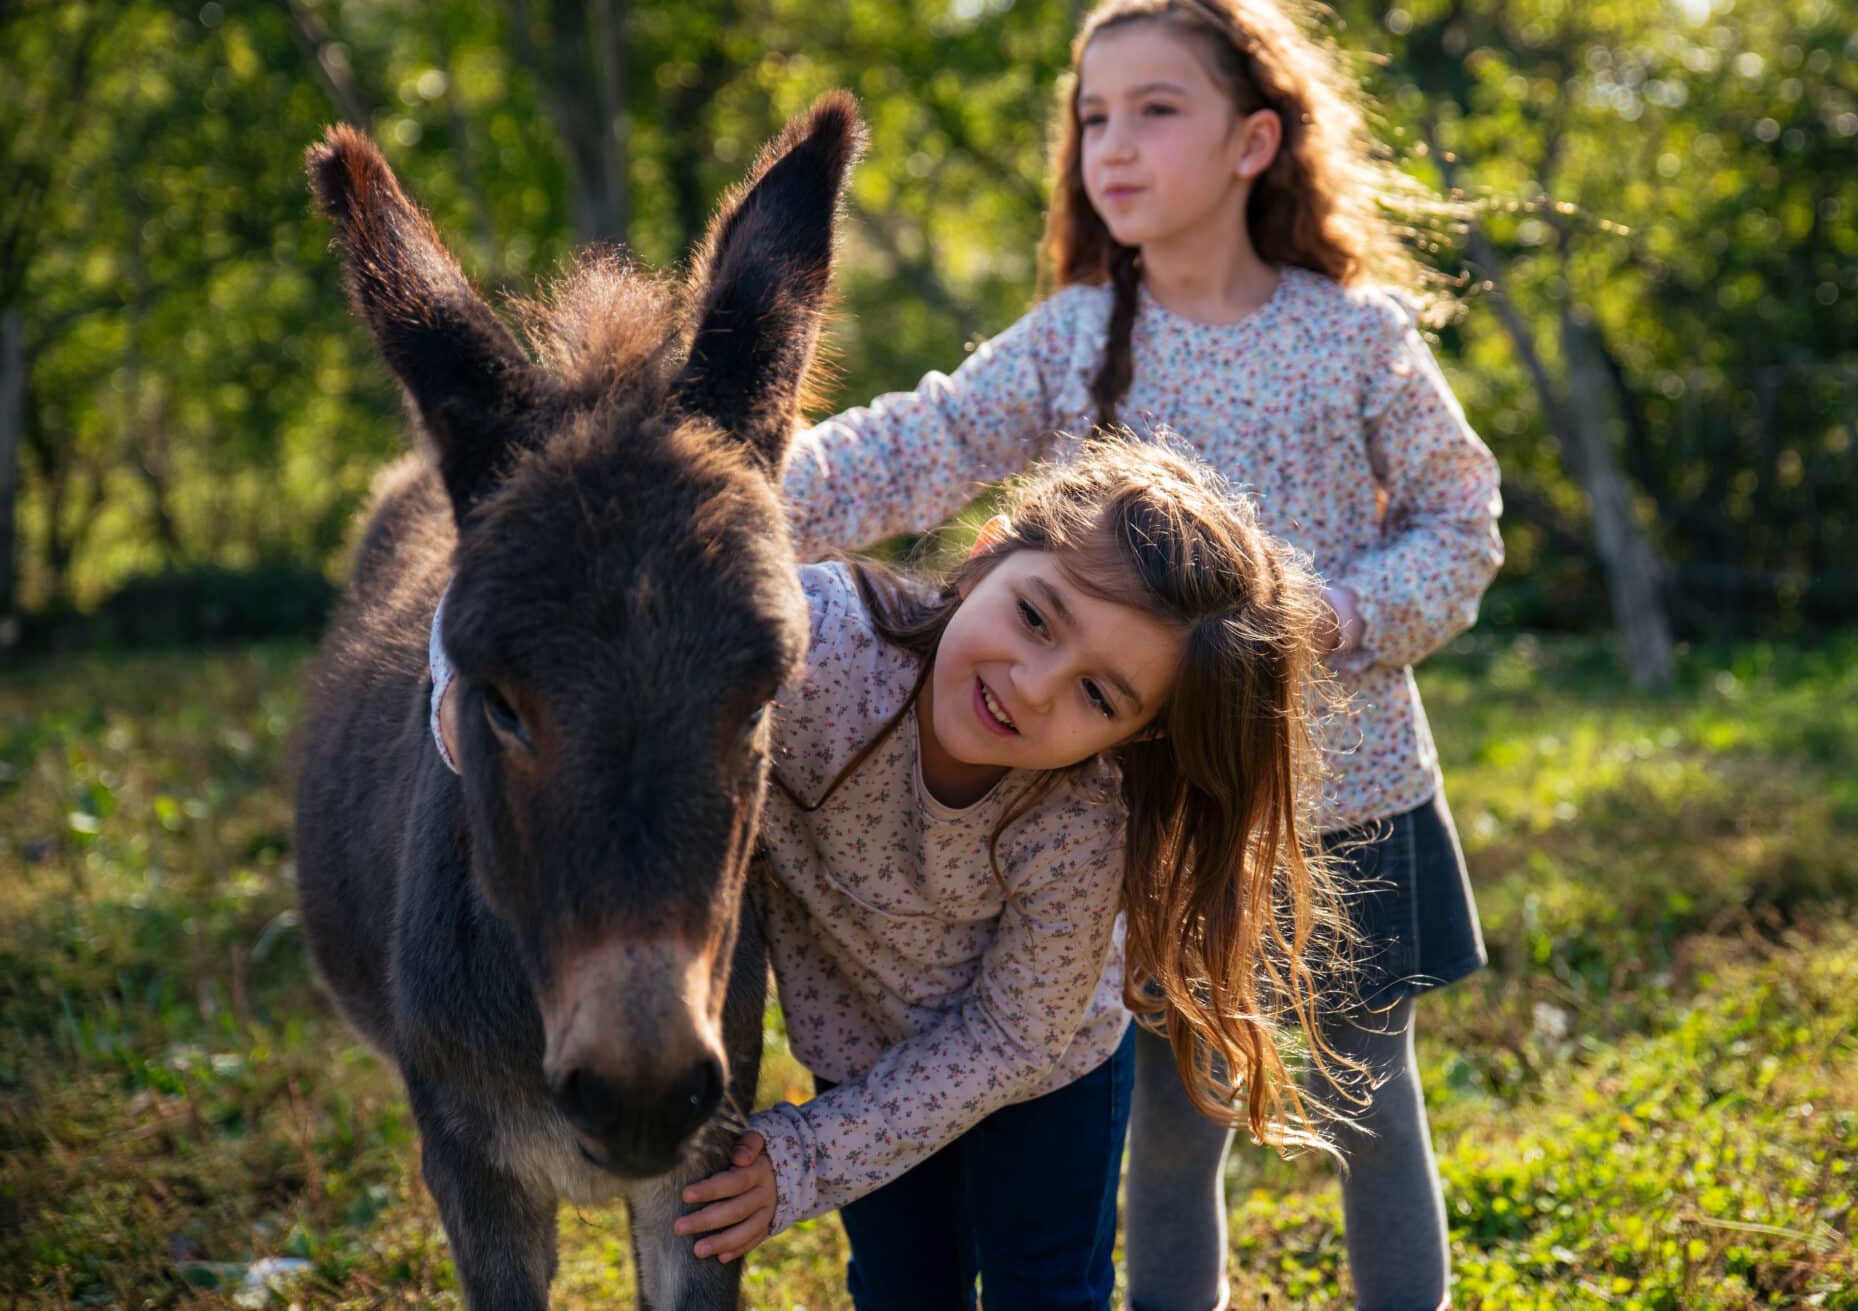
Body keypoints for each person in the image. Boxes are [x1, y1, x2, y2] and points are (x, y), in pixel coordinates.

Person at [771, 0, 1504, 1307]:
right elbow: (911, 446)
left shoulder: (1357, 339)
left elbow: (1465, 523)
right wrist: (718, 492)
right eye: (1092, 115)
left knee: (1370, 1102)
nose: (1113, 143)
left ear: (1255, 140)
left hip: (1356, 797)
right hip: (1154, 818)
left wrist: (1347, 610)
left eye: (1155, 109)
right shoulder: (1069, 339)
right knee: (1172, 1129)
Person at [433, 436, 1344, 1310]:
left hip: (1043, 1080)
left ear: (1140, 733)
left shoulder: (1080, 823)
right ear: (986, 555)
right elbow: (532, 582)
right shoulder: (817, 648)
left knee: (1048, 1292)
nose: (1032, 684)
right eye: (1035, 617)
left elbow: (1011, 1037)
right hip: (861, 1057)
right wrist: (455, 701)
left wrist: (810, 1157)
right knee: (905, 1292)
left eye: (1098, 694)